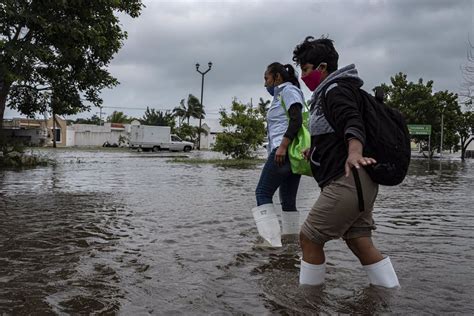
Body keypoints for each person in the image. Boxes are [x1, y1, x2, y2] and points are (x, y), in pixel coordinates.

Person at [292, 36, 400, 288]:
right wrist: (316, 149)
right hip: (361, 182)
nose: (304, 76)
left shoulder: (335, 89)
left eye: (306, 69)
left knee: (309, 238)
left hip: (349, 180)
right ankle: (390, 296)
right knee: (359, 240)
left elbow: (352, 121)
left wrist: (354, 151)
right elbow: (338, 126)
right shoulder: (335, 91)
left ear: (322, 68)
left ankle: (308, 304)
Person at [251, 62, 306, 247]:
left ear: (277, 77)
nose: (265, 83)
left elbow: (296, 119)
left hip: (283, 151)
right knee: (288, 201)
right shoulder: (282, 94)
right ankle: (291, 243)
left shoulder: (287, 91)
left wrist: (282, 147)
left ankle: (271, 245)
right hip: (290, 153)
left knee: (262, 193)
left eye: (266, 78)